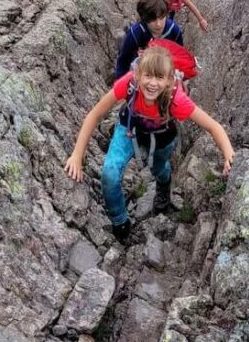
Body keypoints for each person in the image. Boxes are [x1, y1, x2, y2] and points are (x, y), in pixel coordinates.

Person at [64, 44, 234, 242]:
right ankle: (120, 222)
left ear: (170, 81)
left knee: (159, 169)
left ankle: (164, 185)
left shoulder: (176, 100)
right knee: (109, 173)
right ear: (137, 75)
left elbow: (214, 127)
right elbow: (95, 114)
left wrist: (229, 154)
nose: (153, 83)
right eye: (148, 76)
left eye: (159, 78)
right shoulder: (129, 84)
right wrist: (76, 156)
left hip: (161, 137)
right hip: (129, 129)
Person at [114, 0, 184, 81]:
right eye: (153, 19)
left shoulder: (174, 30)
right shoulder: (136, 33)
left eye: (162, 17)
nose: (158, 24)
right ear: (145, 18)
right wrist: (120, 83)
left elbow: (180, 56)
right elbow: (124, 60)